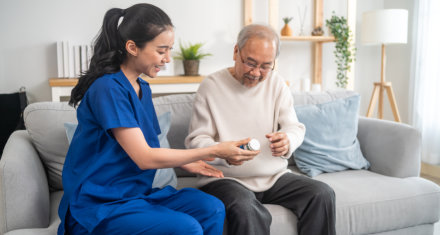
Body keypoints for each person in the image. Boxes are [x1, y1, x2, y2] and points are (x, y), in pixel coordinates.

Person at [57, 4, 259, 235]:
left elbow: (149, 143)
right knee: (186, 227)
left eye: (170, 50)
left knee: (211, 207)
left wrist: (185, 162)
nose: (167, 59)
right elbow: (144, 157)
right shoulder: (108, 88)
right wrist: (214, 150)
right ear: (132, 47)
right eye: (161, 50)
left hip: (134, 196)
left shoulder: (142, 88)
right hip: (99, 205)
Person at [185, 24, 336, 235]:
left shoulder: (276, 84)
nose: (256, 73)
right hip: (224, 179)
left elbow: (294, 127)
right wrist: (223, 153)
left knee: (322, 193)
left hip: (273, 177)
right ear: (236, 52)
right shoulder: (211, 86)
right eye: (250, 63)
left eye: (266, 66)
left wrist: (288, 140)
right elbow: (196, 141)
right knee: (245, 207)